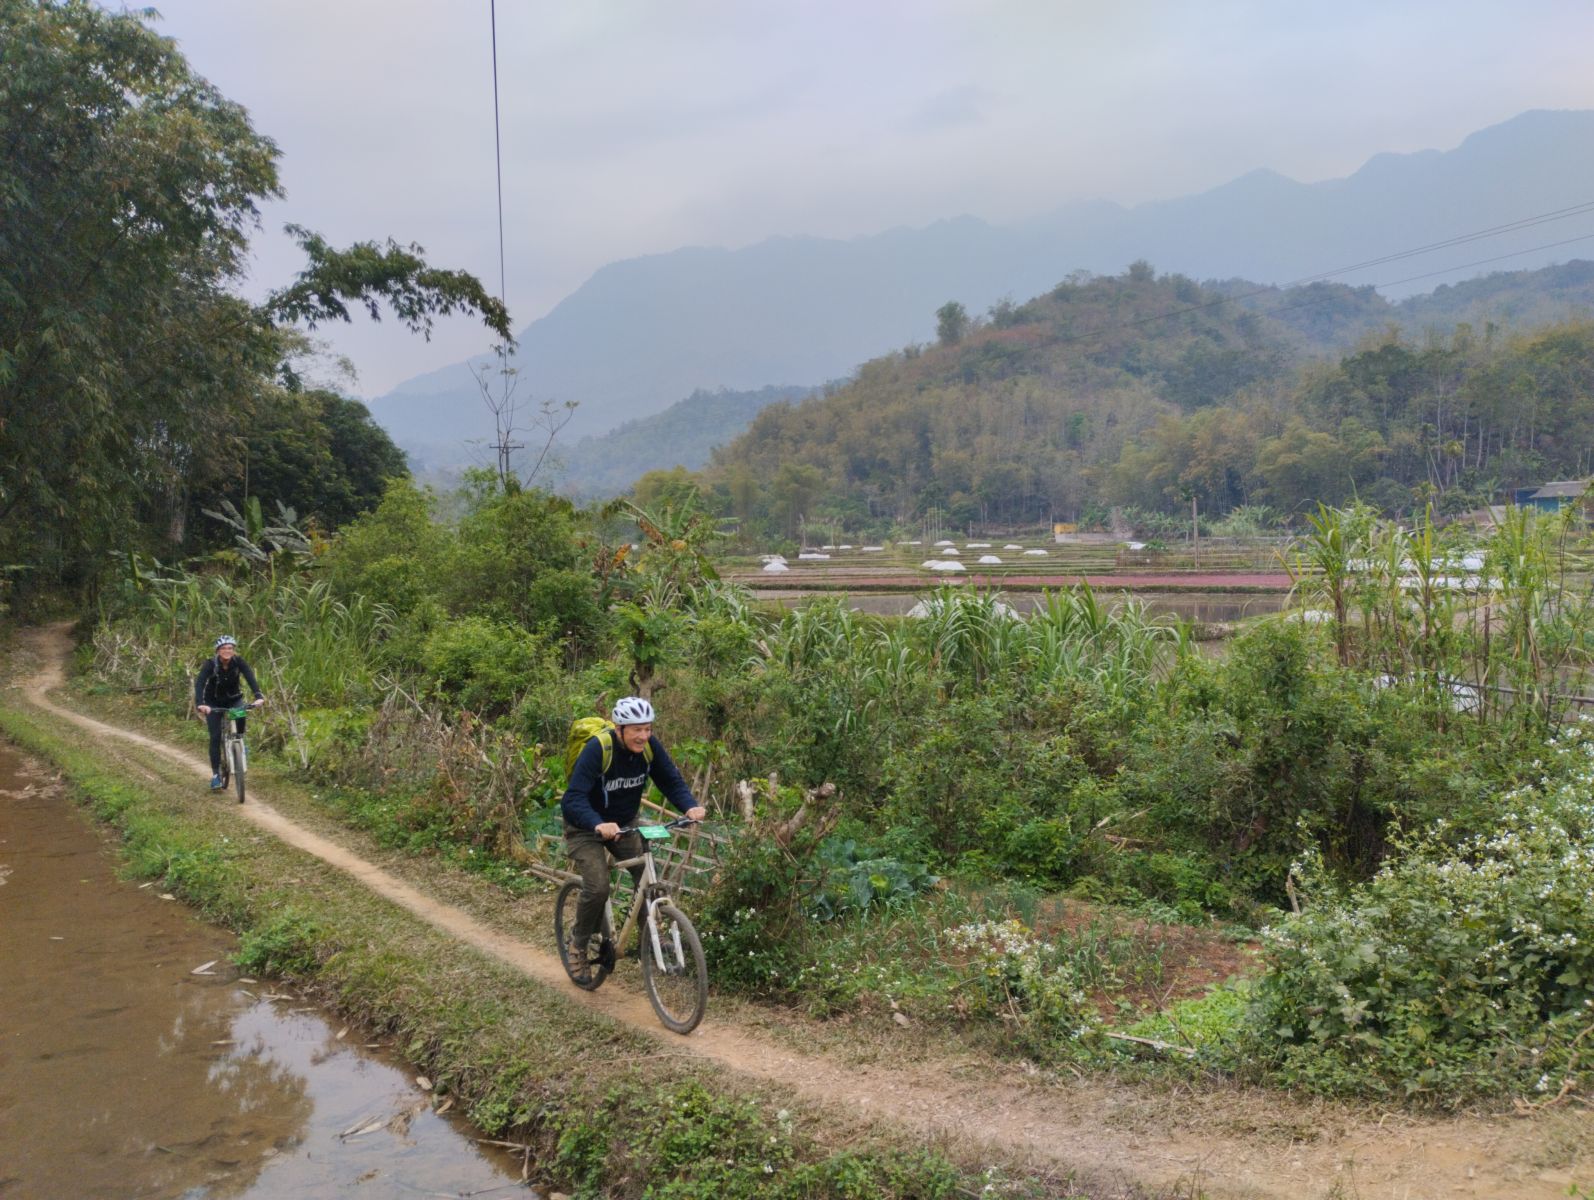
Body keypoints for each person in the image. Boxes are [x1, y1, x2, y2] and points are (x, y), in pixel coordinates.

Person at [560, 696, 705, 982]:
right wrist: (598, 823)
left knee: (647, 879)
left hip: (625, 824)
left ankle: (650, 939)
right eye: (636, 729)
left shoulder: (649, 749)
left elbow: (670, 780)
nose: (643, 736)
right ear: (619, 728)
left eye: (648, 729)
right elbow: (572, 798)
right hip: (585, 827)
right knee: (599, 886)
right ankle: (577, 945)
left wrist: (689, 805)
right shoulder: (597, 750)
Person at [194, 635, 265, 789]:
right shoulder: (210, 664)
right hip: (213, 703)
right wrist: (201, 704)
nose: (227, 651)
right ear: (218, 651)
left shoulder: (238, 662)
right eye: (224, 648)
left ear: (233, 651)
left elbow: (250, 677)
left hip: (234, 700)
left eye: (230, 648)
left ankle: (239, 741)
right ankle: (215, 775)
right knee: (215, 736)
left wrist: (258, 696)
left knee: (241, 713)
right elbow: (199, 683)